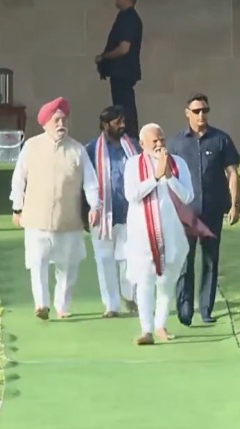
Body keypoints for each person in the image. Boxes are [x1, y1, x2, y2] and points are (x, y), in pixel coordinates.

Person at [10, 97, 102, 321]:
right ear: (45, 124)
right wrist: (17, 208)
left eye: (63, 120)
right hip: (36, 218)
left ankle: (62, 306)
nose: (61, 124)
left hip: (68, 220)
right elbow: (19, 178)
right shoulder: (31, 146)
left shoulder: (77, 150)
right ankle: (41, 304)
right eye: (56, 120)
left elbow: (90, 181)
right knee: (37, 263)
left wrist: (95, 206)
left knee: (68, 267)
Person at [166, 93, 240, 325]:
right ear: (187, 113)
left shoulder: (221, 139)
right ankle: (185, 308)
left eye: (205, 110)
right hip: (186, 213)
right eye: (196, 111)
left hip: (212, 209)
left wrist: (235, 204)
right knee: (184, 260)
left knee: (210, 260)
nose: (201, 115)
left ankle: (206, 309)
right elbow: (167, 177)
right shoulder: (177, 143)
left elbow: (233, 173)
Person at [124, 123, 194, 345]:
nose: (159, 144)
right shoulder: (133, 164)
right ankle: (146, 330)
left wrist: (168, 176)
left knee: (167, 282)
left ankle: (161, 324)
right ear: (143, 144)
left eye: (161, 139)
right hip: (143, 235)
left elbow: (188, 196)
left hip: (172, 233)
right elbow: (132, 195)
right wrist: (154, 177)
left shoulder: (178, 163)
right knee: (145, 281)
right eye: (154, 141)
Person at [85, 106, 141, 318]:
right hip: (101, 215)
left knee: (129, 258)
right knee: (104, 259)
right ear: (105, 124)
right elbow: (84, 183)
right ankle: (111, 305)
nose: (122, 125)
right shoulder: (91, 149)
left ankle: (130, 297)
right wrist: (87, 212)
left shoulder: (133, 147)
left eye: (123, 121)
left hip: (129, 213)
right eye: (117, 122)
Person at [95, 0, 143, 139]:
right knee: (123, 109)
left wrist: (103, 57)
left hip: (123, 72)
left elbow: (124, 48)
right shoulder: (127, 17)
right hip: (122, 73)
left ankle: (129, 139)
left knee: (124, 112)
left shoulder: (128, 17)